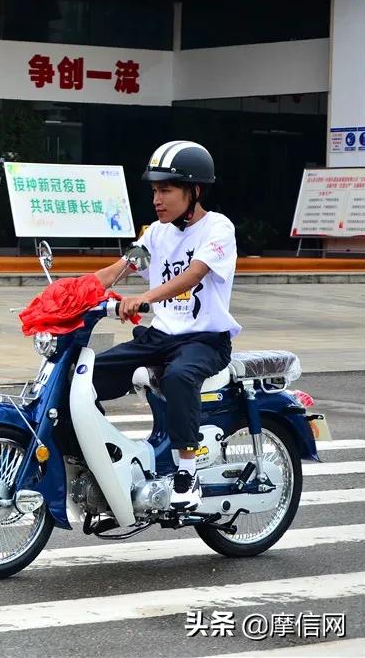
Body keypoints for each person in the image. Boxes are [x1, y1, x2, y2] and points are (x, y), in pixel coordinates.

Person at [92, 141, 240, 511]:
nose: (157, 199)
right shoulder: (156, 233)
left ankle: (186, 476)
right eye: (155, 190)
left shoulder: (217, 228)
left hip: (205, 340)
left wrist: (146, 298)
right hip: (161, 336)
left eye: (167, 190)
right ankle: (101, 458)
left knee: (179, 376)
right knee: (85, 374)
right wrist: (68, 294)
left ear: (194, 192)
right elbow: (119, 269)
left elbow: (193, 275)